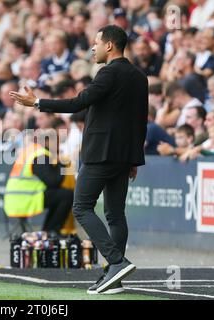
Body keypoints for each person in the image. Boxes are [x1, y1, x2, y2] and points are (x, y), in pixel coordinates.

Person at [9, 25, 148, 295]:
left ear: (110, 45)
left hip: (100, 154)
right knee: (115, 214)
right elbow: (140, 119)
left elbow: (77, 103)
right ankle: (113, 277)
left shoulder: (108, 72)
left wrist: (37, 102)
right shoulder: (139, 77)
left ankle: (117, 263)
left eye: (96, 43)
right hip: (124, 156)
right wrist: (134, 158)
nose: (92, 48)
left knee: (81, 207)